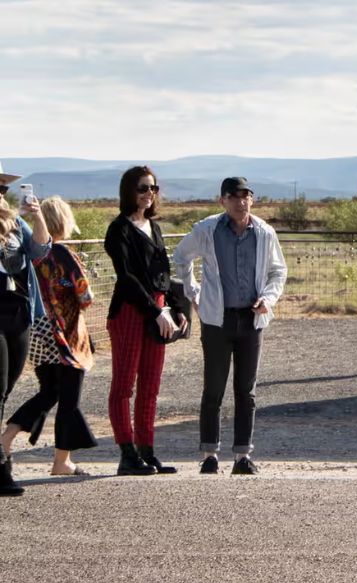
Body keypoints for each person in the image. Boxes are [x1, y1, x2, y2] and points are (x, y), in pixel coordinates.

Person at [172, 176, 289, 476]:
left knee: (246, 391)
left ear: (252, 199)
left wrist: (269, 298)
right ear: (222, 201)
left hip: (251, 319)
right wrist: (193, 292)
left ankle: (242, 457)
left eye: (245, 196)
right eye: (233, 197)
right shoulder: (207, 230)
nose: (240, 202)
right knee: (214, 389)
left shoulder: (264, 232)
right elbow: (181, 257)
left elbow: (278, 271)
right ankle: (209, 455)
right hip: (216, 320)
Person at [1, 197, 98, 476]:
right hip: (66, 336)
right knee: (69, 399)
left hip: (37, 331)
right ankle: (61, 461)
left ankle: (10, 434)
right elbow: (85, 295)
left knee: (49, 392)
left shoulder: (33, 254)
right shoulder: (63, 254)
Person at [101, 166, 177, 477]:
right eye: (143, 188)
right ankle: (127, 454)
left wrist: (174, 308)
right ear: (129, 191)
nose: (148, 194)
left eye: (153, 189)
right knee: (124, 386)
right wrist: (156, 311)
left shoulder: (154, 228)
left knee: (150, 386)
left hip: (158, 312)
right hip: (131, 312)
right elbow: (127, 278)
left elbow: (164, 274)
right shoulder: (118, 230)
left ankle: (147, 451)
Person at [0, 173, 53, 495]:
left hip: (17, 310)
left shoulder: (14, 224)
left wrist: (36, 215)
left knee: (6, 389)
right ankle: (2, 468)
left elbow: (40, 250)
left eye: (2, 189)